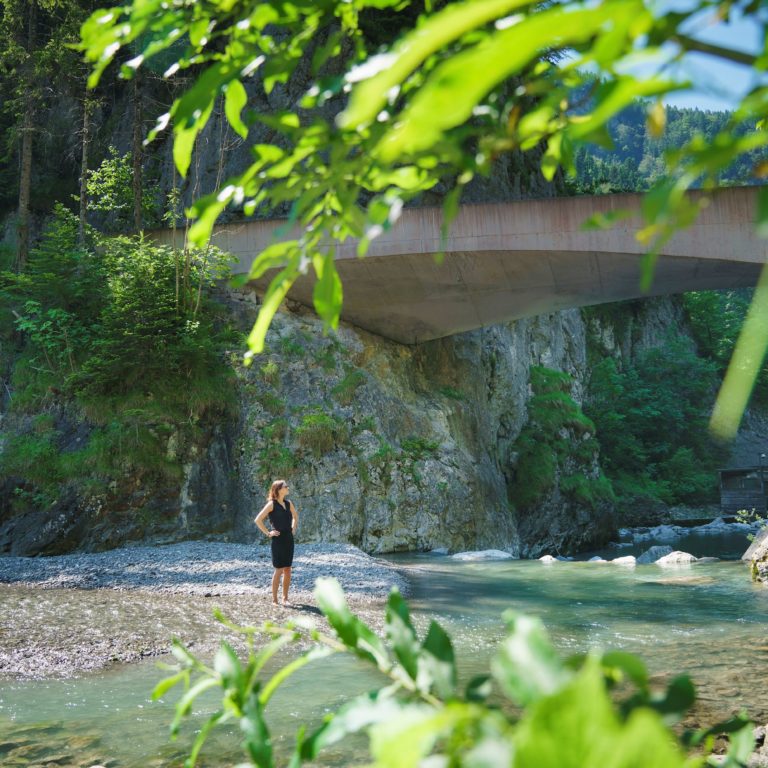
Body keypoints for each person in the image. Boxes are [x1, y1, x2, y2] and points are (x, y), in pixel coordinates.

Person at [255, 479, 298, 606]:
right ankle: (275, 600)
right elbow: (258, 520)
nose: (288, 487)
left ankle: (285, 598)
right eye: (286, 486)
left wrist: (293, 528)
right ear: (279, 489)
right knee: (279, 570)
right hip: (278, 540)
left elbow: (296, 517)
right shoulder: (271, 504)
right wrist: (268, 533)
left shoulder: (289, 503)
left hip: (289, 539)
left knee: (288, 569)